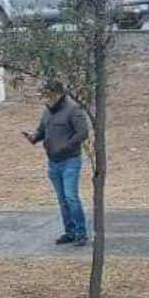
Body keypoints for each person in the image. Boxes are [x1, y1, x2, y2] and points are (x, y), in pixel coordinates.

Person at [23, 81, 90, 247]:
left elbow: (83, 133)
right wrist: (33, 137)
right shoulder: (47, 111)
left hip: (70, 161)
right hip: (53, 162)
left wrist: (65, 146)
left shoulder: (73, 110)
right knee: (62, 199)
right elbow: (41, 130)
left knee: (71, 197)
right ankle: (70, 232)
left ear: (58, 94)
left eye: (48, 95)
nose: (45, 99)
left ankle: (81, 233)